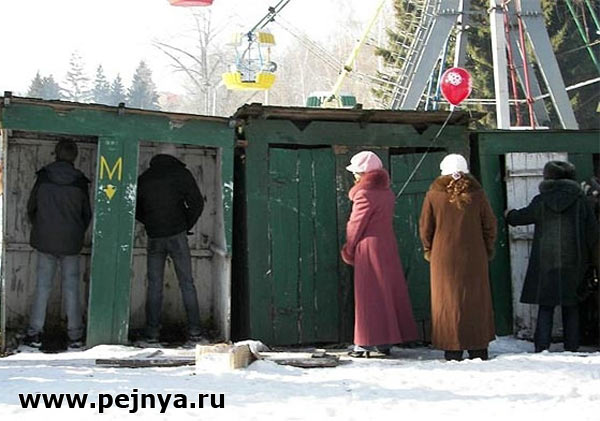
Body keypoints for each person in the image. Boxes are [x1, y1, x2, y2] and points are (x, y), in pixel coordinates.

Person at [506, 160, 599, 353]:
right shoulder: (581, 201)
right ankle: (571, 347)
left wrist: (509, 214)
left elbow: (522, 217)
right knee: (571, 306)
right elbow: (593, 233)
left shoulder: (542, 200)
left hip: (546, 263)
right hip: (575, 262)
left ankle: (542, 347)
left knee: (546, 306)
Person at [419, 154, 497, 361]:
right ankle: (478, 347)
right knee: (476, 298)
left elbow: (425, 227)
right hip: (474, 254)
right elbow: (490, 224)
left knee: (447, 300)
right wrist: (487, 248)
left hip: (443, 255)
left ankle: (452, 347)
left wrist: (429, 249)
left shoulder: (433, 195)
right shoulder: (477, 194)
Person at [341, 151, 418, 357]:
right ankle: (384, 341)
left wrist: (349, 248)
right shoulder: (387, 193)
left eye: (357, 172)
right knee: (385, 293)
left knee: (368, 295)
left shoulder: (364, 195)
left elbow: (356, 225)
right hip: (387, 244)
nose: (354, 176)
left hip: (369, 247)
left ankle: (364, 342)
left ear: (363, 173)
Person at [25, 140, 92, 349]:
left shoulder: (44, 177)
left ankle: (35, 333)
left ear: (56, 153)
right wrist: (75, 233)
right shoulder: (80, 182)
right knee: (72, 289)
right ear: (75, 156)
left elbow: (31, 208)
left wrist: (41, 227)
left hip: (45, 240)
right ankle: (75, 335)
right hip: (71, 243)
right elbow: (87, 215)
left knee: (42, 287)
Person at [135, 143, 204, 343]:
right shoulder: (182, 174)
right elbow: (197, 203)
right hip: (177, 235)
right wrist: (185, 224)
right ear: (175, 156)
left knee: (154, 285)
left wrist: (150, 222)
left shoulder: (145, 177)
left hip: (155, 236)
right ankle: (195, 331)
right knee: (187, 283)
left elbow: (135, 207)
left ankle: (152, 332)